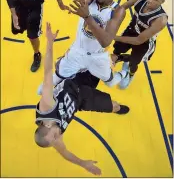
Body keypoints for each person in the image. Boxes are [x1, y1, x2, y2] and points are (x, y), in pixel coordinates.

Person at [35, 23, 130, 175]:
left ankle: (117, 58)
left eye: (54, 135)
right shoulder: (53, 139)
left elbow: (47, 72)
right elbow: (65, 153)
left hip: (76, 82)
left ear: (46, 126)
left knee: (102, 65)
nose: (58, 136)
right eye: (54, 139)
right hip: (81, 101)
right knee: (114, 106)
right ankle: (115, 104)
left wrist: (50, 42)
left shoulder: (46, 107)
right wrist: (83, 164)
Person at [37, 0, 128, 94]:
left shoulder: (118, 11)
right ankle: (53, 85)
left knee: (111, 82)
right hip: (77, 51)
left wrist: (87, 17)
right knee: (49, 84)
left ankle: (125, 72)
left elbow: (105, 41)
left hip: (98, 56)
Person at [111, 0, 170, 88]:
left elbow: (138, 40)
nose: (150, 1)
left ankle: (130, 74)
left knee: (134, 63)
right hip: (131, 30)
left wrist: (111, 36)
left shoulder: (161, 20)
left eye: (155, 0)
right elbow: (121, 8)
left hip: (144, 41)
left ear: (162, 2)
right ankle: (119, 57)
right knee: (116, 49)